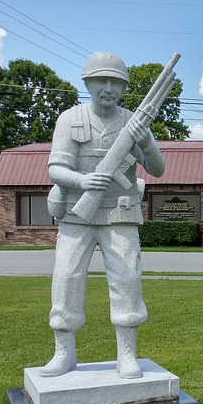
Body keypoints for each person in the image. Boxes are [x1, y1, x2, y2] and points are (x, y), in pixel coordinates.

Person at [40, 51, 165, 379]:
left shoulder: (131, 122)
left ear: (124, 87)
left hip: (119, 215)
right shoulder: (70, 119)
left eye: (115, 82)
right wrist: (82, 181)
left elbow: (157, 169)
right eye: (101, 80)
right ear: (88, 83)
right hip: (76, 215)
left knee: (127, 281)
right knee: (66, 279)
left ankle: (127, 354)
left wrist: (148, 141)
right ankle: (64, 353)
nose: (108, 87)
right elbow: (55, 167)